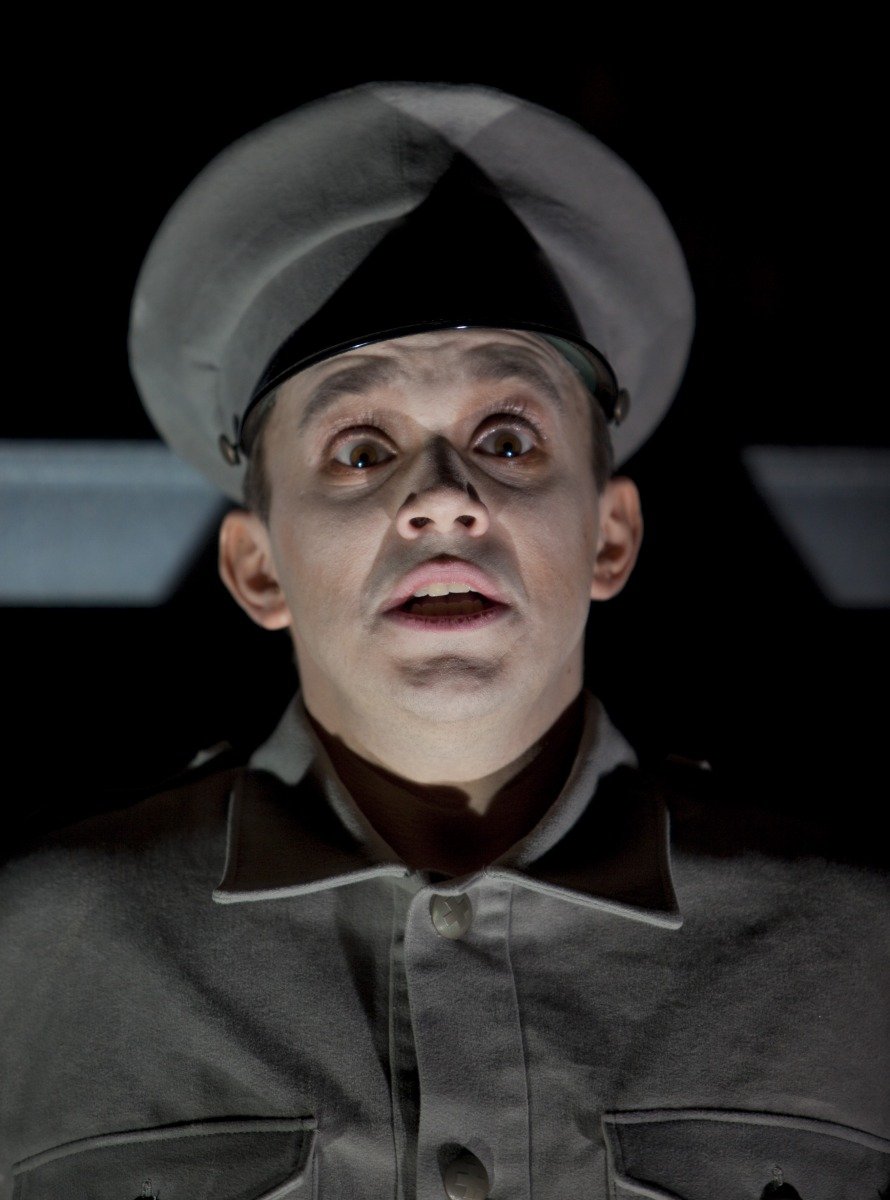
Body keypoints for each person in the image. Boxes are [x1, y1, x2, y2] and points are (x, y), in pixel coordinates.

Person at [1, 83, 887, 1200]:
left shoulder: (855, 951)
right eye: (361, 452)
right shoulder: (38, 954)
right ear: (258, 567)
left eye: (506, 440)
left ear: (609, 536)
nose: (442, 498)